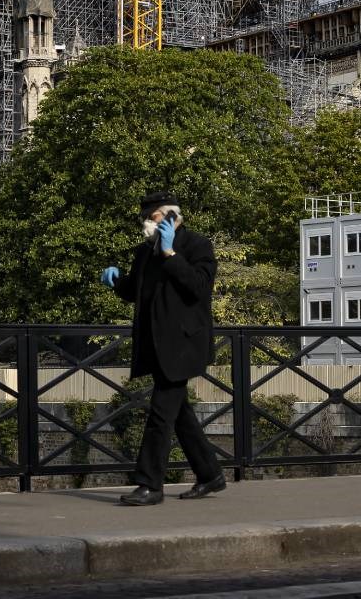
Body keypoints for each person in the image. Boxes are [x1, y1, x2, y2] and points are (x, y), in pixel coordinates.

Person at [100, 191, 226, 506]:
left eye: (151, 216)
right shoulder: (145, 252)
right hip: (154, 345)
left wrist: (171, 253)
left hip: (183, 346)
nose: (145, 223)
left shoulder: (197, 245)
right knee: (178, 414)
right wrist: (116, 281)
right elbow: (135, 291)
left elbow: (197, 287)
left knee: (160, 414)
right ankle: (210, 474)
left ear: (170, 216)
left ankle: (149, 484)